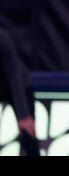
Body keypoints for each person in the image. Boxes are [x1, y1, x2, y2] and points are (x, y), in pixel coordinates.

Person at [0, 24, 40, 156]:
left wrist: (23, 115)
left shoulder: (2, 38)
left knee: (27, 130)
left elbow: (14, 77)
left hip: (20, 85)